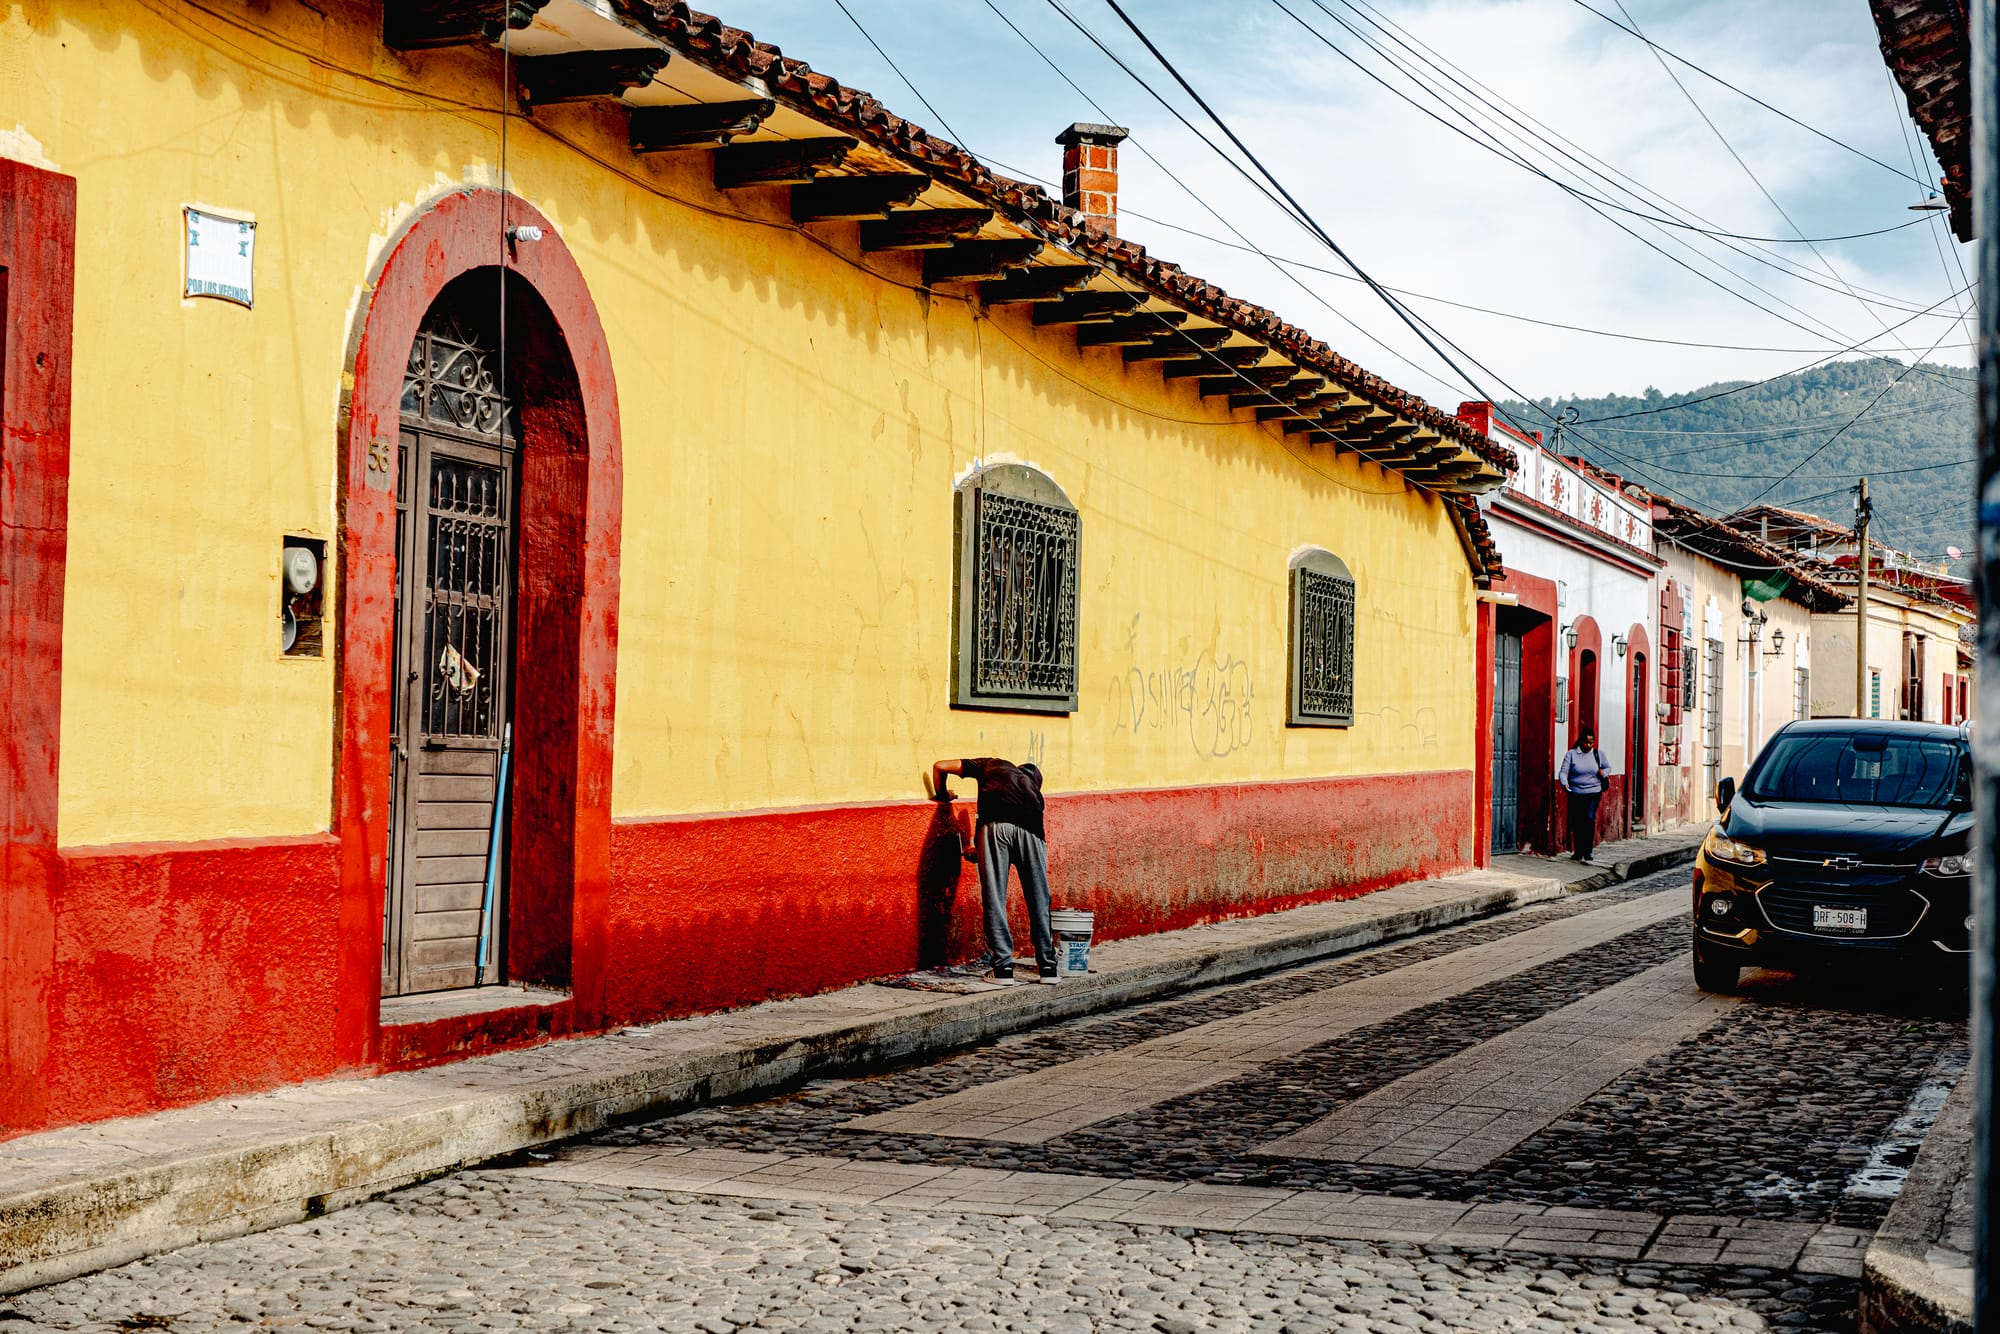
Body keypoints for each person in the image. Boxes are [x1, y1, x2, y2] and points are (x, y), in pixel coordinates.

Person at [930, 756, 1057, 984]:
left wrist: (942, 795)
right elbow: (1018, 829)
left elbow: (940, 766)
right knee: (1039, 898)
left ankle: (1003, 969)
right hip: (1032, 832)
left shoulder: (989, 764)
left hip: (994, 827)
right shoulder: (1033, 794)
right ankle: (1048, 968)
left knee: (995, 897)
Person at [1557, 728, 1612, 865]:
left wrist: (1603, 772)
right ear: (1581, 741)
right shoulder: (1571, 754)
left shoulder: (1598, 754)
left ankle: (1588, 850)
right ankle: (1578, 850)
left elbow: (1608, 768)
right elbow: (1563, 772)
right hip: (1576, 792)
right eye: (1586, 742)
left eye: (1591, 743)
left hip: (1593, 792)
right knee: (1577, 821)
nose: (1588, 745)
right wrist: (1565, 784)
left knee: (1589, 818)